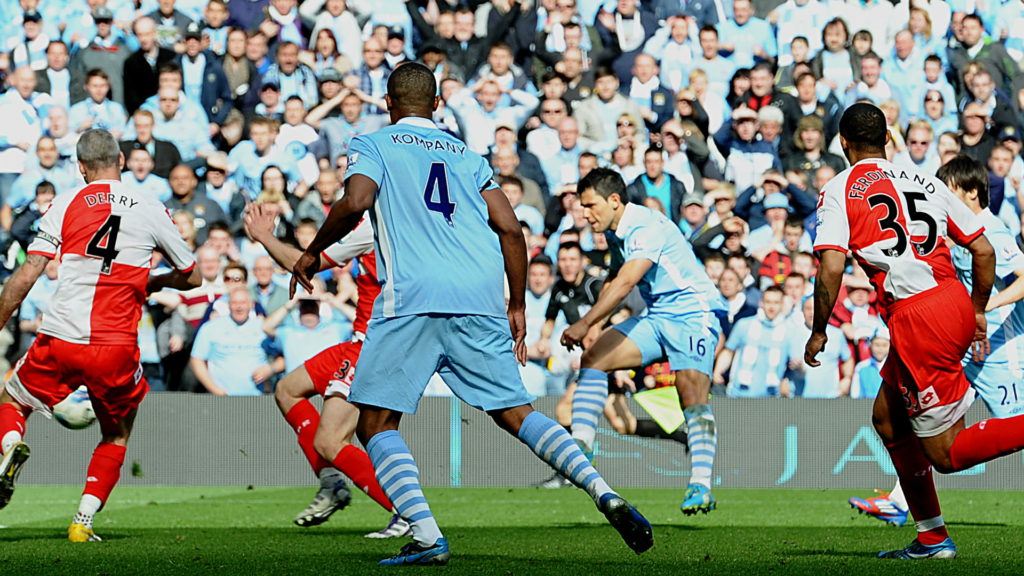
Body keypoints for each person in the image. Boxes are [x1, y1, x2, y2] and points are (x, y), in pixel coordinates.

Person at [290, 63, 652, 565]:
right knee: (518, 413)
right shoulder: (466, 154)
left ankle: (426, 535)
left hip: (414, 298)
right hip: (480, 300)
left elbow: (356, 200)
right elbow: (509, 227)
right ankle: (603, 492)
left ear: (389, 105)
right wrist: (518, 304)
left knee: (374, 423)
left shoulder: (373, 143)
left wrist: (311, 251)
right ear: (437, 105)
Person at [807, 104, 1024, 559]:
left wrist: (819, 330)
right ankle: (931, 537)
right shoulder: (924, 180)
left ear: (843, 143)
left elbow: (831, 267)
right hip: (953, 301)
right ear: (888, 136)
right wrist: (977, 310)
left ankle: (936, 538)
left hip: (917, 316)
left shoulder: (839, 189)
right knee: (887, 417)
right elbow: (983, 251)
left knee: (944, 455)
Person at [0, 129, 200, 541]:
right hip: (116, 346)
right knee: (117, 433)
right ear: (122, 162)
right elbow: (192, 275)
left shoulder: (68, 200)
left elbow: (29, 271)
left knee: (11, 399)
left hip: (61, 337)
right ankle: (82, 521)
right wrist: (154, 282)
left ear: (81, 167)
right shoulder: (151, 207)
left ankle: (9, 447)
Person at [849, 155, 1024, 527]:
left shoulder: (993, 231)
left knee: (1014, 426)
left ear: (973, 193)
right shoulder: (951, 231)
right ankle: (902, 502)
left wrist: (985, 304)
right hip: (960, 344)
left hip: (998, 350)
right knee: (922, 421)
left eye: (951, 191)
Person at [557, 166, 726, 517]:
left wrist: (586, 321)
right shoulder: (618, 230)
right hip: (660, 315)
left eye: (591, 206)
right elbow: (614, 276)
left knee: (690, 393)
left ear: (614, 201)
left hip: (694, 312)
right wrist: (595, 327)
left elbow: (626, 282)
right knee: (594, 356)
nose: (585, 215)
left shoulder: (645, 225)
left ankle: (701, 484)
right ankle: (582, 446)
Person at [244, 204, 408, 537]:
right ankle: (333, 482)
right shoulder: (411, 219)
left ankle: (407, 511)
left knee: (331, 441)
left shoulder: (376, 222)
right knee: (287, 389)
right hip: (365, 338)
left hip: (372, 342)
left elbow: (305, 263)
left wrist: (263, 236)